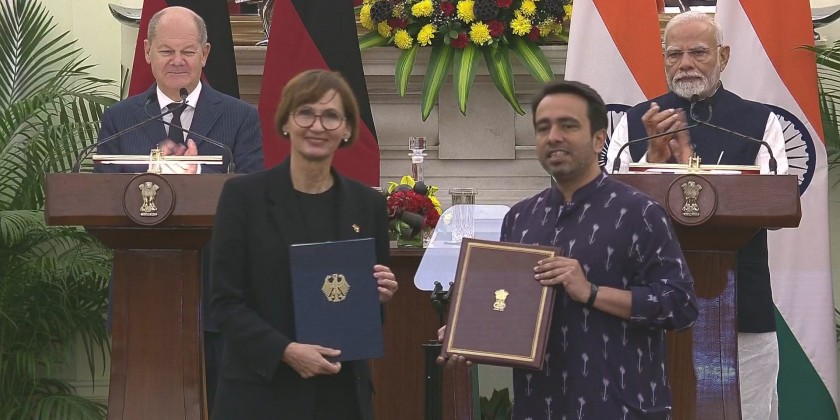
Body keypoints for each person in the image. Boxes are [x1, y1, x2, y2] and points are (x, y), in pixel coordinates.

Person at [440, 80, 698, 419]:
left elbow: (680, 305)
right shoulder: (520, 218)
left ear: (599, 139)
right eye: (543, 128)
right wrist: (468, 332)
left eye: (568, 125)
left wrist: (591, 292)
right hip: (538, 407)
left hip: (620, 407)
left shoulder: (640, 212)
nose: (553, 137)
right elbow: (509, 308)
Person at [606, 11, 789, 419]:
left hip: (738, 300)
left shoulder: (759, 122)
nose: (685, 63)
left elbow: (775, 203)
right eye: (675, 54)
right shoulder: (636, 123)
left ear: (723, 56)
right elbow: (610, 211)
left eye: (698, 52)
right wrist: (653, 161)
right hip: (651, 301)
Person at [94, 6, 264, 410]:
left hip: (219, 295)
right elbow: (99, 201)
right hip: (141, 294)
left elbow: (255, 202)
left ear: (205, 53)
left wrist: (196, 179)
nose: (177, 61)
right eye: (166, 51)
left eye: (187, 51)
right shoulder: (121, 119)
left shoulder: (240, 118)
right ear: (147, 53)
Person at [209, 69, 399, 420]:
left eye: (331, 116)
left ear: (347, 129)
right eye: (306, 113)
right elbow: (224, 302)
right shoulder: (243, 198)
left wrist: (378, 294)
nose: (317, 126)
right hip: (261, 394)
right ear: (286, 122)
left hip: (340, 395)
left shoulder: (368, 205)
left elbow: (364, 314)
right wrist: (286, 351)